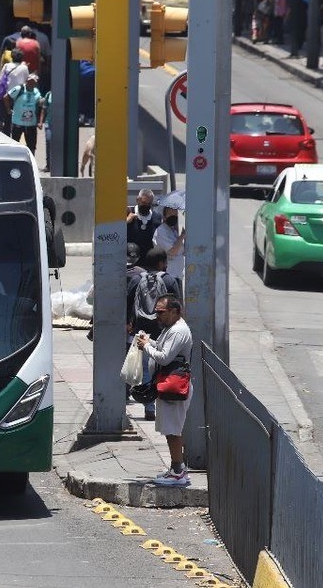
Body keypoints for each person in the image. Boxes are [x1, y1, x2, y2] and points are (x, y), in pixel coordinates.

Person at [134, 294, 193, 487]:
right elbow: (161, 347)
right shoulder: (171, 328)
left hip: (174, 386)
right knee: (170, 429)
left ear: (175, 311)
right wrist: (149, 342)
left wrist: (146, 348)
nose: (157, 316)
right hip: (167, 385)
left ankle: (178, 472)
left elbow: (164, 357)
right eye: (156, 312)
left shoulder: (178, 330)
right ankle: (177, 469)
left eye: (161, 312)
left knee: (173, 430)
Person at [127, 249, 182, 422]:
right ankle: (165, 407)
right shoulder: (169, 280)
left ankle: (149, 408)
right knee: (165, 368)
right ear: (161, 263)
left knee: (146, 370)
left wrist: (129, 323)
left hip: (142, 332)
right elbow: (177, 306)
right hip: (164, 332)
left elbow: (128, 303)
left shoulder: (136, 279)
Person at [3, 73, 45, 155]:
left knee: (32, 146)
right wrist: (8, 110)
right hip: (17, 122)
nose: (31, 83)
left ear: (36, 83)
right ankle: (15, 159)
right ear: (26, 81)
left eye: (33, 82)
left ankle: (31, 162)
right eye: (30, 81)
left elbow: (40, 103)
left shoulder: (36, 92)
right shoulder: (19, 89)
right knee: (15, 144)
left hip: (31, 124)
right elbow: (6, 97)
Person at [152, 205, 185, 291]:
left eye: (175, 214)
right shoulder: (161, 231)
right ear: (164, 216)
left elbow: (183, 251)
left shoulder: (173, 231)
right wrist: (182, 236)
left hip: (178, 274)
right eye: (170, 214)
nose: (174, 216)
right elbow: (172, 251)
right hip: (169, 274)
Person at [0, 50, 29, 133]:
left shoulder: (6, 66)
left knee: (8, 115)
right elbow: (26, 81)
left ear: (12, 57)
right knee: (19, 115)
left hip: (7, 95)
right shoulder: (24, 67)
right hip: (19, 95)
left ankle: (6, 131)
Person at [126, 189, 162, 255]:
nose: (146, 206)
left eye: (149, 204)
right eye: (144, 203)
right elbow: (116, 233)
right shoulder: (128, 213)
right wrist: (127, 221)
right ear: (138, 200)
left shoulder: (157, 217)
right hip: (131, 259)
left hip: (149, 260)